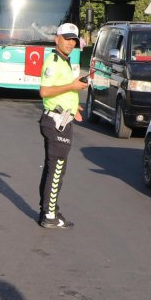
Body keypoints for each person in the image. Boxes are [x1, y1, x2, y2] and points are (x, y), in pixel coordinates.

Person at [37, 22, 88, 229]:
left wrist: (73, 107)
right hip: (56, 123)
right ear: (56, 38)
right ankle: (49, 215)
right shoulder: (54, 61)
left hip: (62, 118)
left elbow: (61, 92)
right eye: (66, 39)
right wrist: (73, 85)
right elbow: (44, 91)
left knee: (53, 168)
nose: (70, 43)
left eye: (73, 40)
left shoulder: (65, 61)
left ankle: (48, 210)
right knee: (57, 169)